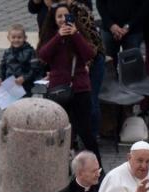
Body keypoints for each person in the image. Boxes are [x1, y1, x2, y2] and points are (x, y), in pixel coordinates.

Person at [38, 4, 101, 164]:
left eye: (66, 16)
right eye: (59, 16)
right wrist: (58, 37)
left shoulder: (78, 34)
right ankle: (62, 167)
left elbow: (89, 54)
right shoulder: (50, 35)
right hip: (59, 89)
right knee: (62, 131)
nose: (62, 19)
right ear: (54, 19)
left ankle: (97, 168)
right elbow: (43, 55)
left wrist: (76, 35)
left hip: (80, 88)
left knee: (85, 131)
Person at [0, 24, 42, 97]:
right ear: (8, 38)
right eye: (13, 37)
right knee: (10, 107)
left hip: (25, 86)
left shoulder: (31, 52)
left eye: (19, 37)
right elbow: (2, 68)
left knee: (23, 106)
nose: (16, 40)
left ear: (25, 38)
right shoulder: (7, 52)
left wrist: (24, 78)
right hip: (9, 86)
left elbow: (35, 69)